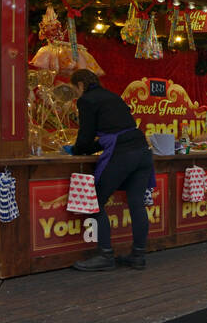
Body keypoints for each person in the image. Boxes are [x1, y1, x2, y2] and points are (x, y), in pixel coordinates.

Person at [65, 69, 155, 271]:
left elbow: (85, 138)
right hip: (142, 151)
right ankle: (138, 255)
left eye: (75, 89)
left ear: (80, 85)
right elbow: (117, 132)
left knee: (95, 201)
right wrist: (90, 146)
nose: (76, 94)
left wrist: (76, 150)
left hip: (123, 154)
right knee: (137, 204)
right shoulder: (112, 96)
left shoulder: (87, 100)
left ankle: (105, 255)